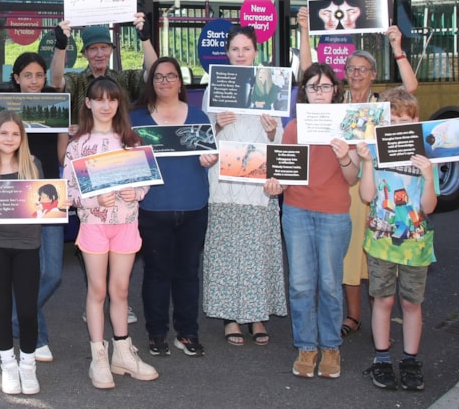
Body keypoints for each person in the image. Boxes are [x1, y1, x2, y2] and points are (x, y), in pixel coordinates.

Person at [323, 18, 418, 340]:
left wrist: (397, 49)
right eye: (351, 68)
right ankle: (353, 316)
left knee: (378, 252)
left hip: (379, 190)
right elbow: (308, 78)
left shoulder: (382, 105)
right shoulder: (336, 105)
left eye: (363, 69)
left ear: (373, 74)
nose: (356, 74)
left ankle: (382, 312)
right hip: (347, 185)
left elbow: (411, 89)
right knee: (350, 254)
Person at [64, 76, 159, 388]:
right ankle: (99, 357)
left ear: (119, 104)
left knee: (120, 291)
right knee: (98, 291)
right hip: (94, 226)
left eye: (112, 99)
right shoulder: (77, 145)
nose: (106, 106)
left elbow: (145, 179)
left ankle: (123, 352)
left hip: (126, 224)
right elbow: (66, 193)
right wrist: (92, 199)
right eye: (99, 99)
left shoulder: (131, 141)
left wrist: (137, 192)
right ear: (88, 103)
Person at [201, 25, 286, 346]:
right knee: (226, 251)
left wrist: (270, 131)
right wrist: (217, 126)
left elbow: (278, 139)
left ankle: (258, 315)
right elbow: (204, 140)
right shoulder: (215, 87)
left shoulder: (270, 85)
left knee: (257, 250)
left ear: (255, 52)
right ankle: (230, 317)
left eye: (246, 49)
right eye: (234, 50)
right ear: (227, 54)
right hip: (223, 182)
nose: (240, 55)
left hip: (258, 182)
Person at [275, 62, 359, 379]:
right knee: (299, 285)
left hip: (334, 213)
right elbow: (283, 173)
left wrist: (344, 157)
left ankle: (331, 347)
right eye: (313, 87)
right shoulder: (294, 127)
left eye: (324, 86)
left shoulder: (347, 125)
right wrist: (275, 184)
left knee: (329, 285)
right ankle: (307, 347)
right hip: (296, 211)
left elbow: (352, 179)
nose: (319, 92)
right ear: (304, 92)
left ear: (335, 90)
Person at [0, 111, 58, 395]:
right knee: (2, 309)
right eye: (4, 133)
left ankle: (28, 366)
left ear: (22, 137)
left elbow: (45, 205)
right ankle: (8, 365)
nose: (9, 139)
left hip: (27, 247)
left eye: (15, 134)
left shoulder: (32, 165)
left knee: (28, 310)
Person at [130, 56, 215, 358]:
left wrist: (210, 159)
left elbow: (208, 156)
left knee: (188, 273)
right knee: (156, 273)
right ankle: (156, 333)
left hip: (193, 206)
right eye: (158, 77)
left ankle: (188, 333)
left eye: (170, 76)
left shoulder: (199, 117)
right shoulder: (136, 118)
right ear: (151, 83)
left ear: (180, 81)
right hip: (153, 207)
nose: (164, 82)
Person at [354, 87, 437, 392]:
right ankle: (382, 359)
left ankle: (411, 360)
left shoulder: (425, 158)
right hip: (380, 240)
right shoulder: (374, 152)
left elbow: (429, 207)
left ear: (415, 122)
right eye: (393, 120)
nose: (399, 124)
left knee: (411, 302)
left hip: (415, 243)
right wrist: (365, 162)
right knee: (383, 299)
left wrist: (428, 177)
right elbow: (366, 196)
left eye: (406, 119)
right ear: (383, 124)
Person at [5, 52, 68, 362]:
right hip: (16, 196)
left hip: (51, 195)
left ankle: (10, 320)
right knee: (31, 271)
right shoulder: (4, 111)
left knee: (53, 273)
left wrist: (72, 139)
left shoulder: (56, 105)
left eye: (39, 76)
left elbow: (61, 158)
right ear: (16, 78)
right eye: (27, 75)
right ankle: (38, 338)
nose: (33, 81)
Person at [48, 13, 159, 109]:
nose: (100, 54)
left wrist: (145, 39)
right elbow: (56, 83)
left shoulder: (124, 79)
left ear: (111, 50)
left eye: (104, 47)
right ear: (84, 54)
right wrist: (61, 46)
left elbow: (154, 74)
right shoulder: (76, 81)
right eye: (93, 49)